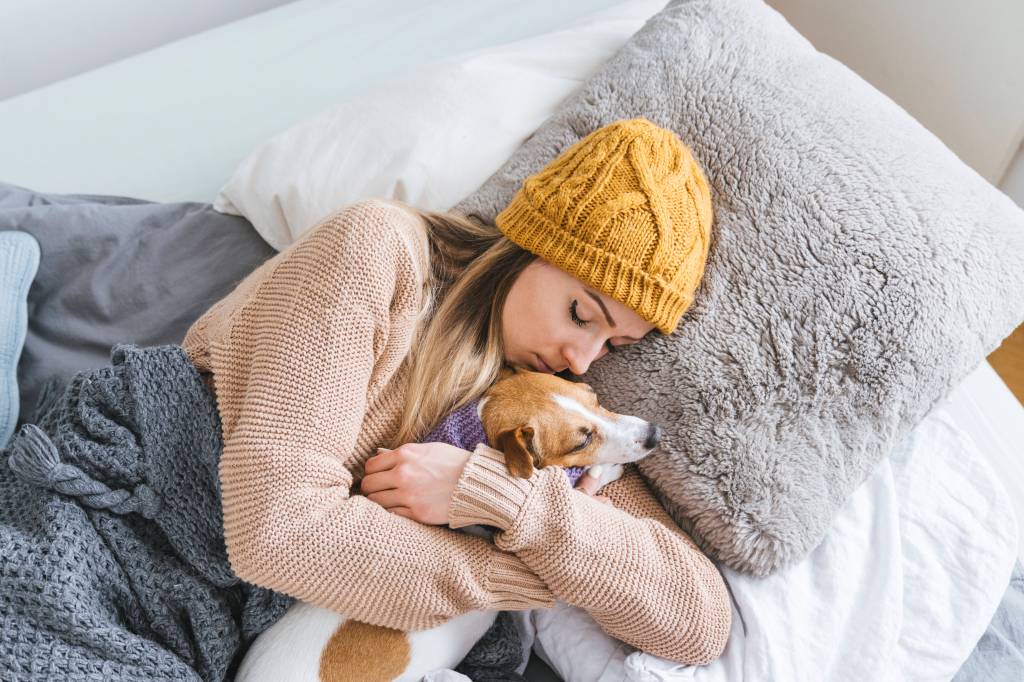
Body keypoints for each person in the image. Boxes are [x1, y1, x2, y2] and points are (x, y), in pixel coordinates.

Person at [180, 117, 731, 666]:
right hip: (143, 531)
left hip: (242, 623)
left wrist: (508, 500)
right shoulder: (375, 250)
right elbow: (277, 531)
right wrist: (511, 574)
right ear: (533, 244)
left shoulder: (543, 410)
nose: (581, 360)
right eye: (580, 313)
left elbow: (699, 623)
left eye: (613, 345)